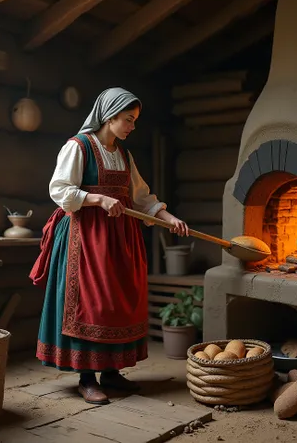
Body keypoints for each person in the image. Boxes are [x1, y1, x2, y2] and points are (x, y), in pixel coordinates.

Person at [30, 87, 189, 405]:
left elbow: (142, 199)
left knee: (117, 301)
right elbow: (59, 189)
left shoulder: (124, 155)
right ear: (109, 116)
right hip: (86, 240)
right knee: (92, 304)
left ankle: (111, 372)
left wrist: (170, 219)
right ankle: (86, 378)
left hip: (120, 242)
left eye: (134, 121)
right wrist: (97, 198)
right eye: (128, 120)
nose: (132, 126)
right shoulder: (79, 147)